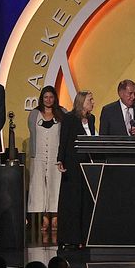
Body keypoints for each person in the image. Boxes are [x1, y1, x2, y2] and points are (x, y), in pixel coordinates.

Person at [57, 91, 98, 249]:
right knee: (71, 202)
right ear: (81, 102)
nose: (93, 102)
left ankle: (84, 237)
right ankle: (69, 238)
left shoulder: (92, 119)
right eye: (90, 100)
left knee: (85, 201)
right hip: (72, 165)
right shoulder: (69, 118)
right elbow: (64, 140)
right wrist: (60, 159)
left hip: (87, 166)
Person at [26, 87, 64, 226]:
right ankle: (43, 217)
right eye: (45, 97)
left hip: (55, 156)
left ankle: (55, 216)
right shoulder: (34, 114)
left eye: (51, 97)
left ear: (55, 98)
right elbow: (32, 132)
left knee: (55, 185)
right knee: (39, 186)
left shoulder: (62, 113)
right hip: (39, 156)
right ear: (42, 98)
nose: (48, 100)